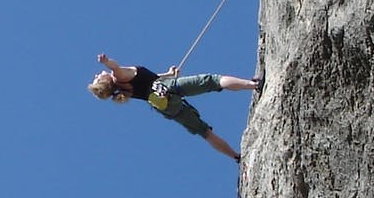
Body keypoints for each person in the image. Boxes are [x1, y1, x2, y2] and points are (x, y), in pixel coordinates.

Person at [89, 53, 260, 161]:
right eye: (97, 78)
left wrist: (168, 74)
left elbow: (149, 80)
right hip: (166, 88)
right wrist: (106, 62)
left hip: (163, 105)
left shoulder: (122, 90)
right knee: (213, 81)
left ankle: (236, 157)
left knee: (204, 132)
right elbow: (115, 66)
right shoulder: (117, 75)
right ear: (106, 81)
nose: (97, 75)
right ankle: (253, 85)